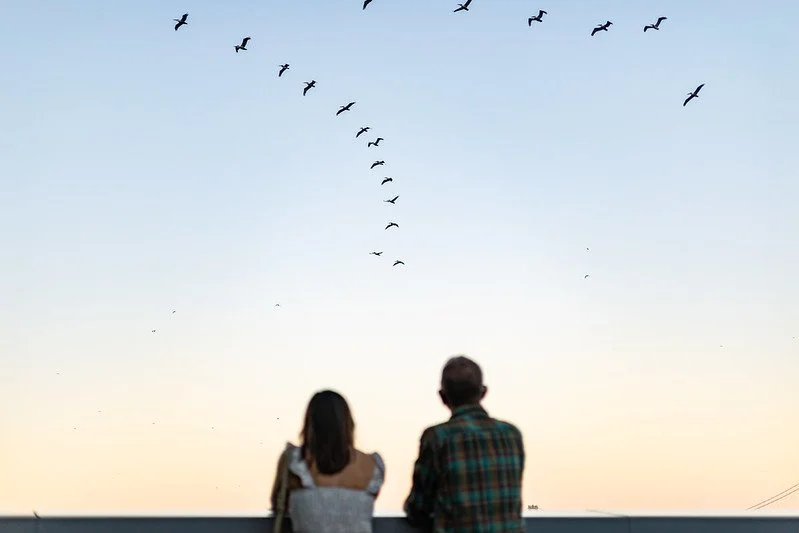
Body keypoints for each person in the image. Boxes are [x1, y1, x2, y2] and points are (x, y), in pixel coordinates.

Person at [404, 356, 526, 532]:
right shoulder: (512, 434)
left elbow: (419, 507)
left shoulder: (438, 437)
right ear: (483, 392)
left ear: (442, 397)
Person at [270, 389, 385, 533]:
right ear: (347, 423)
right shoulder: (372, 466)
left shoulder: (294, 462)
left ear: (310, 423)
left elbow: (278, 504)